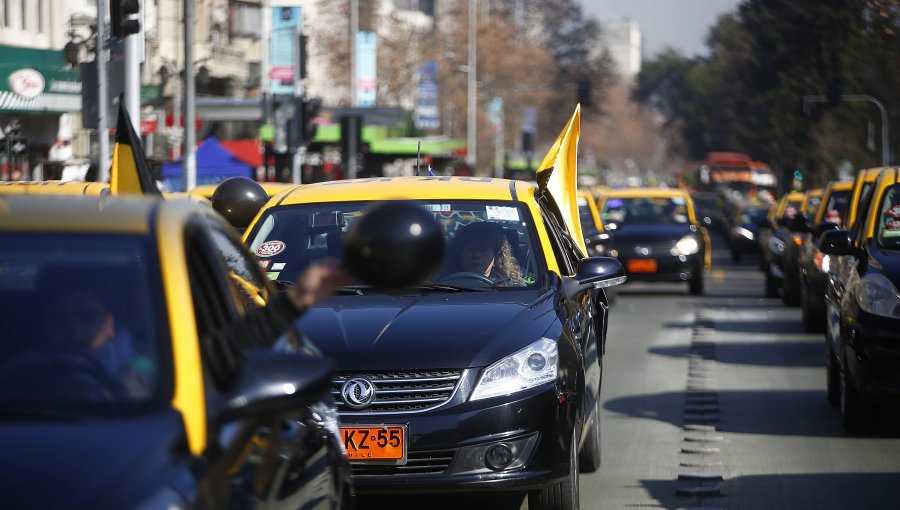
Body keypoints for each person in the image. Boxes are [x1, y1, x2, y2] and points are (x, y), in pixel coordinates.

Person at [445, 221, 525, 286]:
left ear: (496, 256)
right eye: (470, 249)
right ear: (460, 254)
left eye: (483, 250)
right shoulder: (440, 285)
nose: (476, 255)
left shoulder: (512, 287)